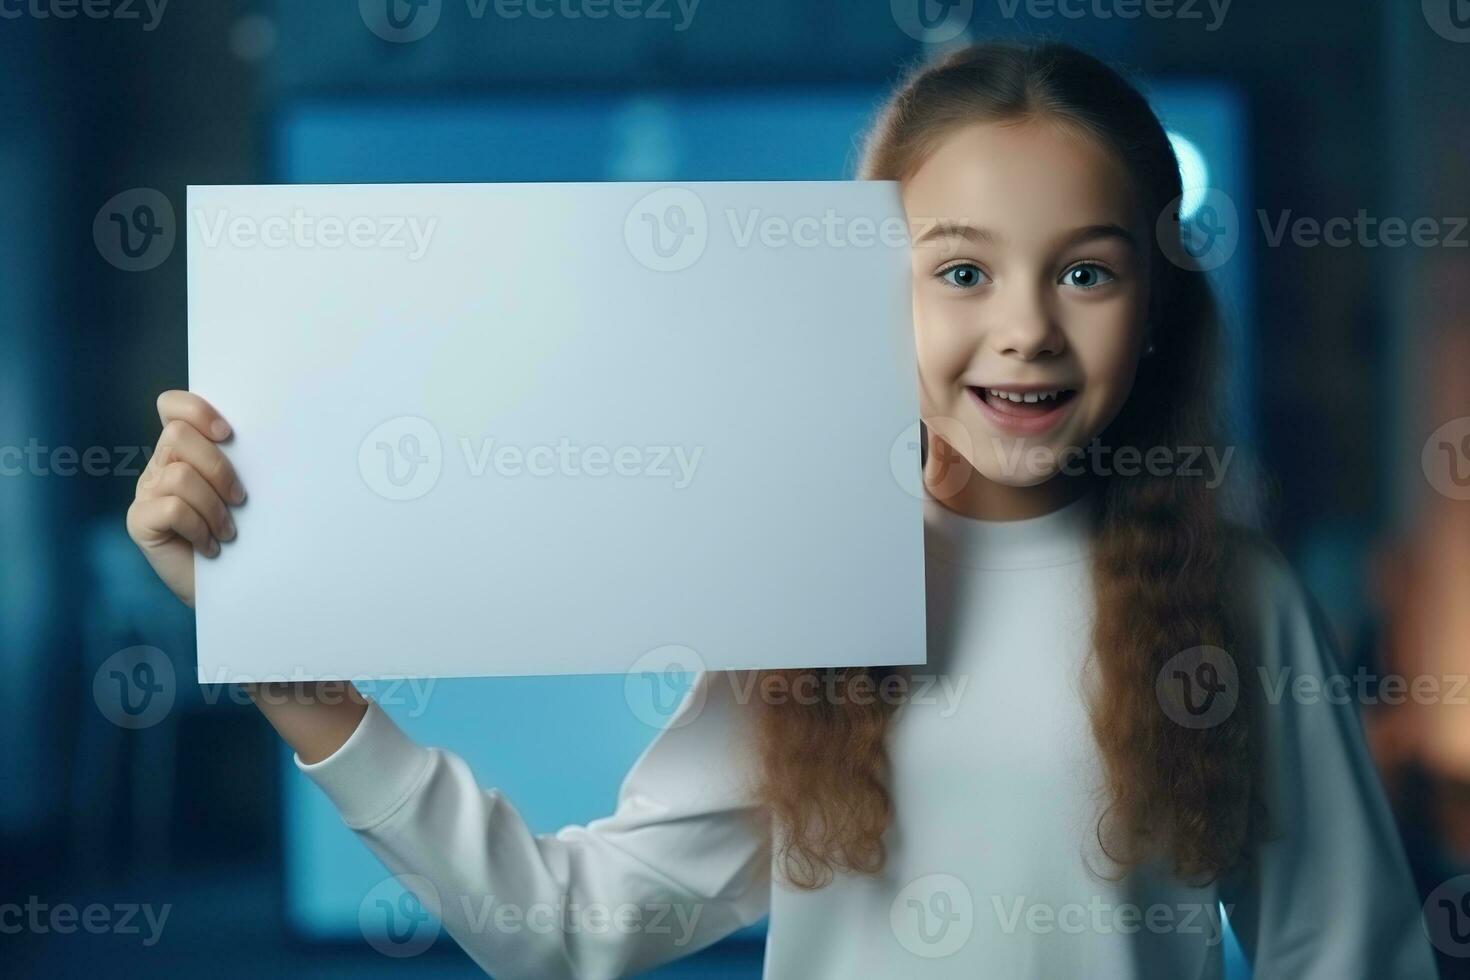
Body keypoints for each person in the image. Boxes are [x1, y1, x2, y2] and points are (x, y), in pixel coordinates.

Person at [125, 41, 1439, 979]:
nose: (1025, 331)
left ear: (1152, 305)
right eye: (961, 271)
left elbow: (1348, 953)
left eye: (1084, 271)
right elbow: (569, 929)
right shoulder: (813, 573)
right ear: (876, 292)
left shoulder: (1233, 595)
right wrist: (293, 666)